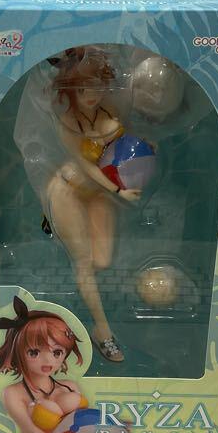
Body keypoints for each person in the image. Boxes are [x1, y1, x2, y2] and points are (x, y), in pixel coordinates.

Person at [45, 46, 140, 362]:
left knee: (102, 260)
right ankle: (103, 331)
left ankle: (83, 302)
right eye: (84, 87)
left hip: (97, 195)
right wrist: (118, 190)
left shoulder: (108, 112)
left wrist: (141, 156)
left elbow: (121, 150)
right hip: (68, 190)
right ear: (71, 87)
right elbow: (87, 167)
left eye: (98, 86)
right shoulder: (67, 121)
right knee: (84, 262)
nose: (91, 94)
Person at [0, 296, 106, 433]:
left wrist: (114, 429)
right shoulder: (14, 393)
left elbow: (83, 427)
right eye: (34, 352)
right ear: (19, 352)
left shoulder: (70, 386)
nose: (48, 361)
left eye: (57, 352)